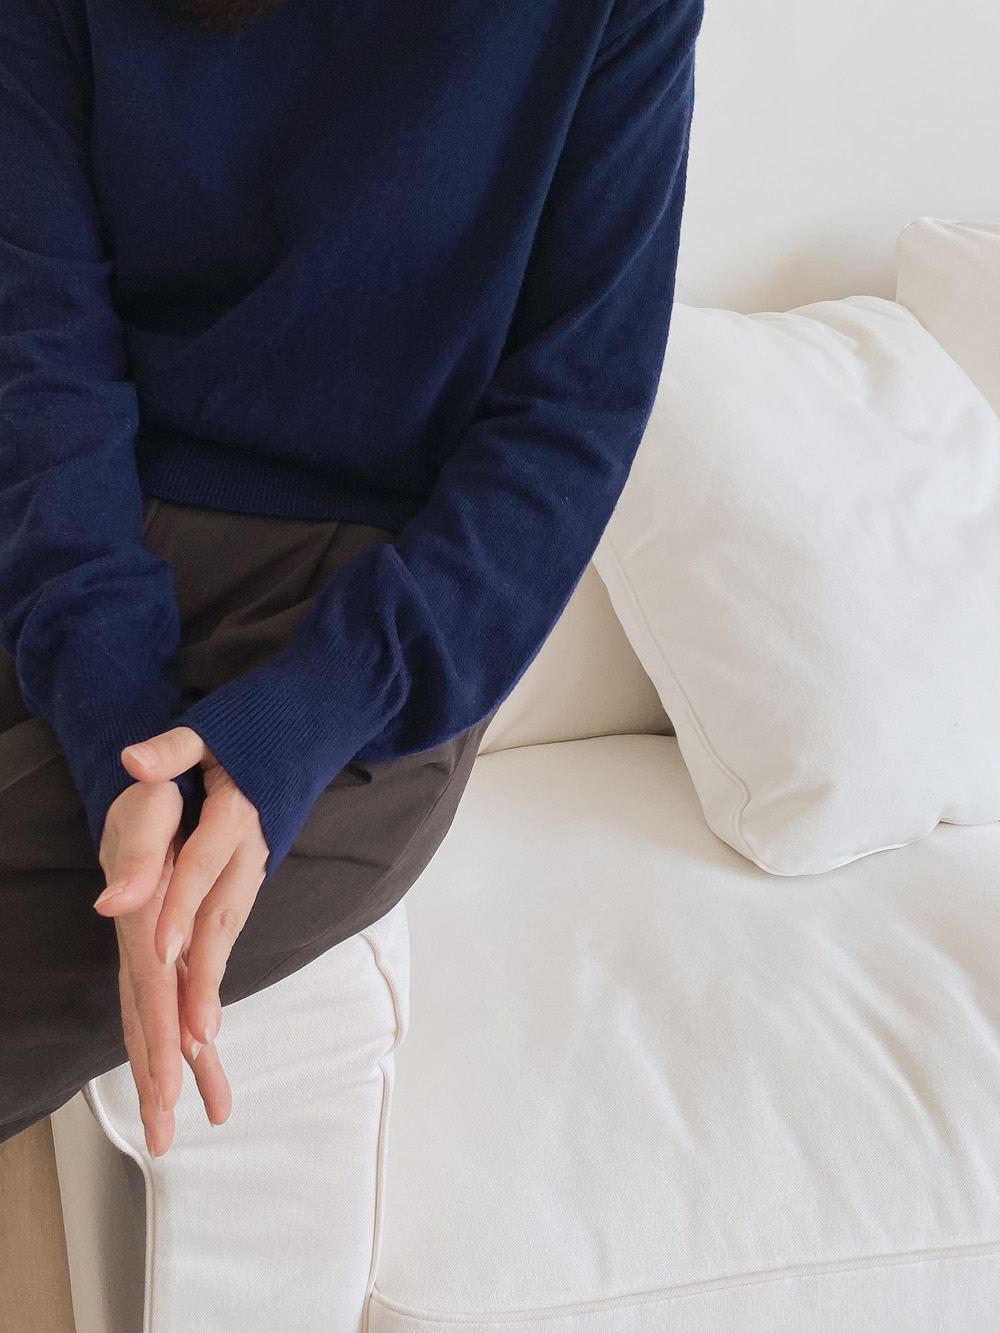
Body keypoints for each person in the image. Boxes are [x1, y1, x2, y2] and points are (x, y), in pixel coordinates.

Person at [0, 0, 703, 1157]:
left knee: (146, 911)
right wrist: (119, 735)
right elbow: (41, 358)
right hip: (78, 528)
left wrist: (297, 721)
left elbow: (571, 415)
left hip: (377, 604)